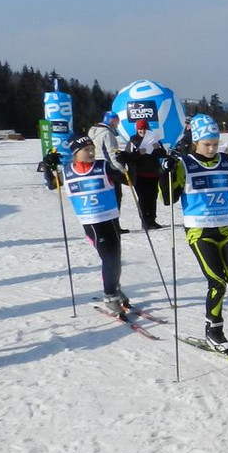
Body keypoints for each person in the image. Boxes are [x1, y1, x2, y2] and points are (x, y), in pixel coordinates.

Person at [159, 114, 228, 352]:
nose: (211, 148)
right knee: (217, 281)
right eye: (206, 144)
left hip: (225, 228)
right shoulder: (184, 164)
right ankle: (214, 330)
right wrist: (165, 173)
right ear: (195, 142)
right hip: (199, 231)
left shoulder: (224, 161)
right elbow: (167, 199)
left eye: (215, 143)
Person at [43, 133, 133, 317]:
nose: (91, 153)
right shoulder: (67, 171)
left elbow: (129, 181)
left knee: (116, 258)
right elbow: (51, 184)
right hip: (92, 223)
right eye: (86, 150)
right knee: (109, 259)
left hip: (111, 220)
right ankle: (110, 296)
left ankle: (114, 287)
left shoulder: (103, 166)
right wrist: (47, 165)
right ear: (75, 153)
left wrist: (129, 162)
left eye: (92, 149)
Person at [87, 111, 128, 233]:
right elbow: (112, 154)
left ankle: (106, 225)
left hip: (96, 167)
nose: (117, 124)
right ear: (111, 121)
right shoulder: (107, 134)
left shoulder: (93, 131)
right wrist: (122, 169)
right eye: (116, 121)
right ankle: (114, 225)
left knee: (103, 198)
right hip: (109, 169)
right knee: (115, 197)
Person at [125, 119, 166, 229]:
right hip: (139, 175)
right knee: (143, 198)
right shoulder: (133, 141)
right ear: (137, 130)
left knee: (152, 197)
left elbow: (163, 154)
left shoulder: (154, 138)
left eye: (144, 128)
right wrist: (139, 153)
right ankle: (145, 221)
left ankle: (152, 219)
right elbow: (128, 157)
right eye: (140, 129)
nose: (142, 131)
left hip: (153, 173)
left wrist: (158, 148)